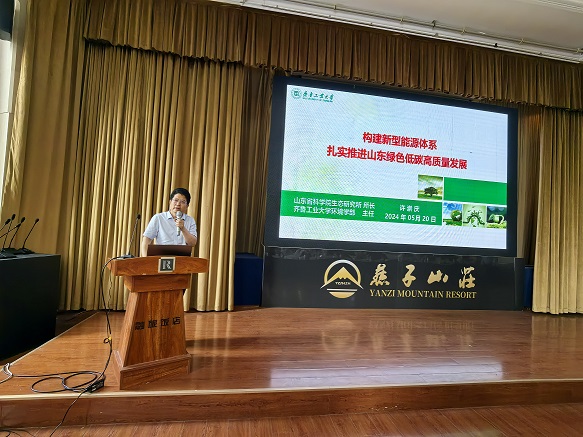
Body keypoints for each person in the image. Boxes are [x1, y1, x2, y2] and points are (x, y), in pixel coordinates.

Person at [141, 188, 198, 256]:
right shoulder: (158, 218)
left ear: (187, 206)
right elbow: (146, 240)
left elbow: (192, 243)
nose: (178, 204)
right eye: (176, 200)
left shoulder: (190, 220)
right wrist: (145, 259)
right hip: (162, 258)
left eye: (183, 202)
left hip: (182, 259)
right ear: (170, 202)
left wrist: (183, 228)